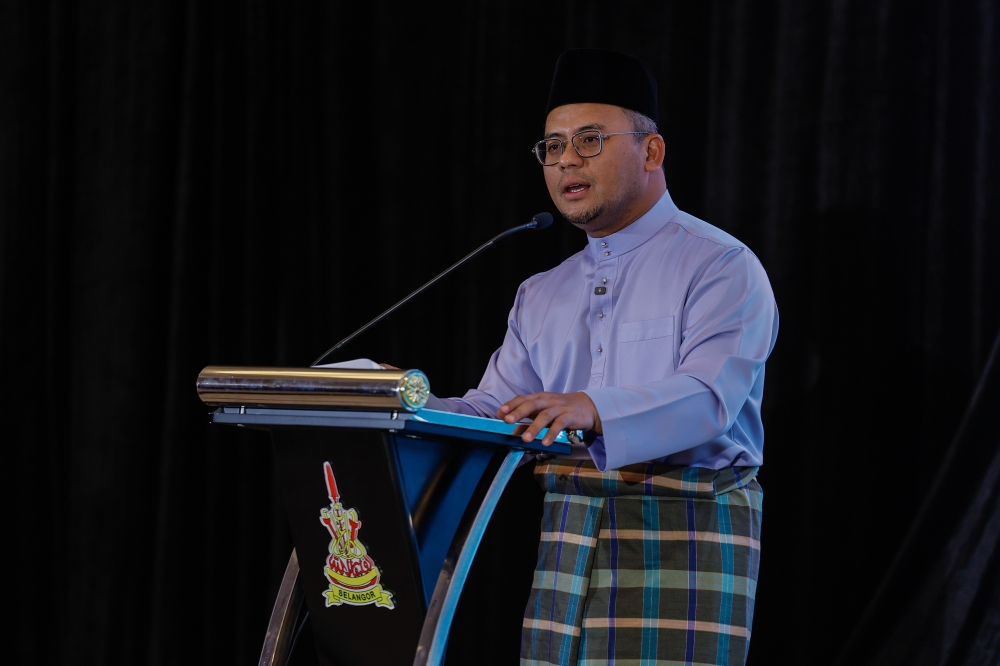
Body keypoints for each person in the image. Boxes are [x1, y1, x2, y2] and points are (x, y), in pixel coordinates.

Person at [432, 49, 779, 665]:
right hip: (570, 524)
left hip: (686, 524)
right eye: (553, 146)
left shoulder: (720, 265)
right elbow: (496, 411)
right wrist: (400, 402)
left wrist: (591, 408)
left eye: (589, 140)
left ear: (652, 151)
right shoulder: (542, 292)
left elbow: (710, 399)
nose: (567, 159)